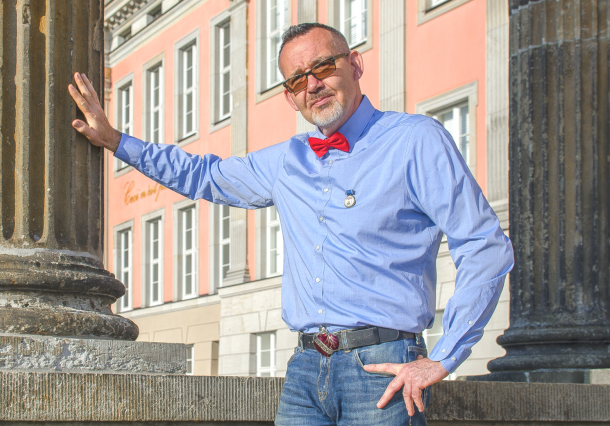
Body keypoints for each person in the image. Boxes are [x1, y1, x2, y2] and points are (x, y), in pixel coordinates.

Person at [69, 22, 513, 426]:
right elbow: (204, 175)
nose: (312, 84)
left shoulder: (415, 139)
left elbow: (485, 245)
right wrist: (116, 141)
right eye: (297, 79)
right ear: (289, 97)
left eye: (323, 66)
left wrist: (444, 357)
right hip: (305, 369)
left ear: (355, 65)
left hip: (382, 368)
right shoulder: (287, 160)